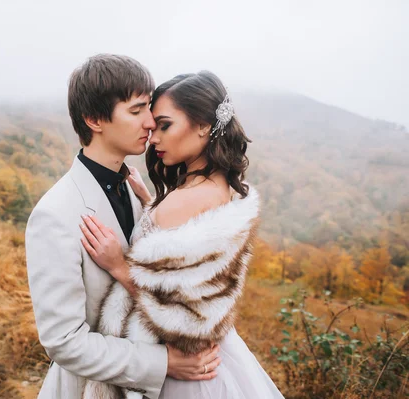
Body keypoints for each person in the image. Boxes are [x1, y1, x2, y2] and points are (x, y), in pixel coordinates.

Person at [25, 55, 221, 399]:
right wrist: (162, 364)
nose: (150, 122)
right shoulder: (55, 215)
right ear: (94, 119)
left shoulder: (136, 191)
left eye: (149, 109)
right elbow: (64, 342)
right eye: (136, 110)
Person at [80, 71, 285, 398]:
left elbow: (176, 306)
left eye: (164, 125)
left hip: (184, 374)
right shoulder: (214, 187)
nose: (153, 137)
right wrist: (151, 202)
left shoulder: (185, 200)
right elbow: (185, 251)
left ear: (204, 125)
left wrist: (119, 265)